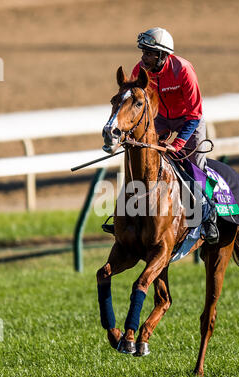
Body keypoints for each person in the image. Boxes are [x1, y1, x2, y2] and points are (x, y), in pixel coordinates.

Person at [102, 27, 218, 244]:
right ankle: (126, 218)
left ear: (163, 54)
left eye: (148, 53)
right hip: (162, 119)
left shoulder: (183, 70)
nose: (143, 58)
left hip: (189, 120)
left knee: (195, 167)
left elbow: (195, 113)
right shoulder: (141, 70)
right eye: (143, 52)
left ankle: (209, 215)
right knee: (145, 159)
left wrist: (179, 142)